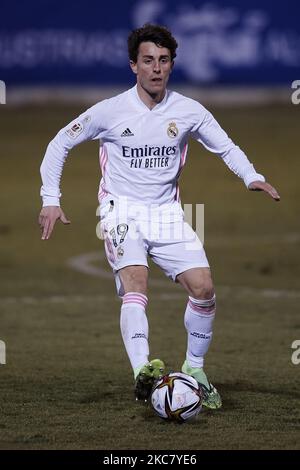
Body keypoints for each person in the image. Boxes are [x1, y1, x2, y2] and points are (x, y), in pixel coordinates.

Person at [39, 24, 280, 409]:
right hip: (120, 210)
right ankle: (143, 373)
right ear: (133, 65)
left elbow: (226, 146)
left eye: (163, 61)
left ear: (171, 65)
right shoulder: (111, 111)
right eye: (148, 61)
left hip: (167, 213)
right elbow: (60, 142)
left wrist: (252, 176)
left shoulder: (188, 110)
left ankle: (195, 370)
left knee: (203, 289)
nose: (156, 68)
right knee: (136, 282)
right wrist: (51, 198)